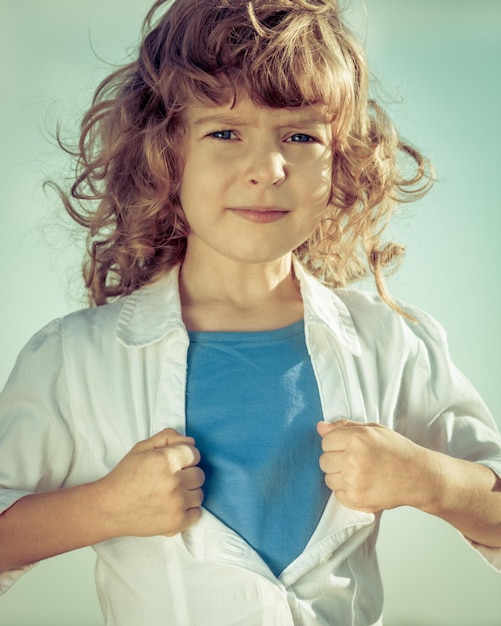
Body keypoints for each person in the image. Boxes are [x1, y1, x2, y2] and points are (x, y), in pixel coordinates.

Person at [0, 0, 500, 624]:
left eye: (300, 136)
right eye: (224, 132)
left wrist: (433, 481)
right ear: (166, 153)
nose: (267, 169)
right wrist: (103, 508)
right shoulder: (73, 358)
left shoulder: (393, 342)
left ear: (339, 158)